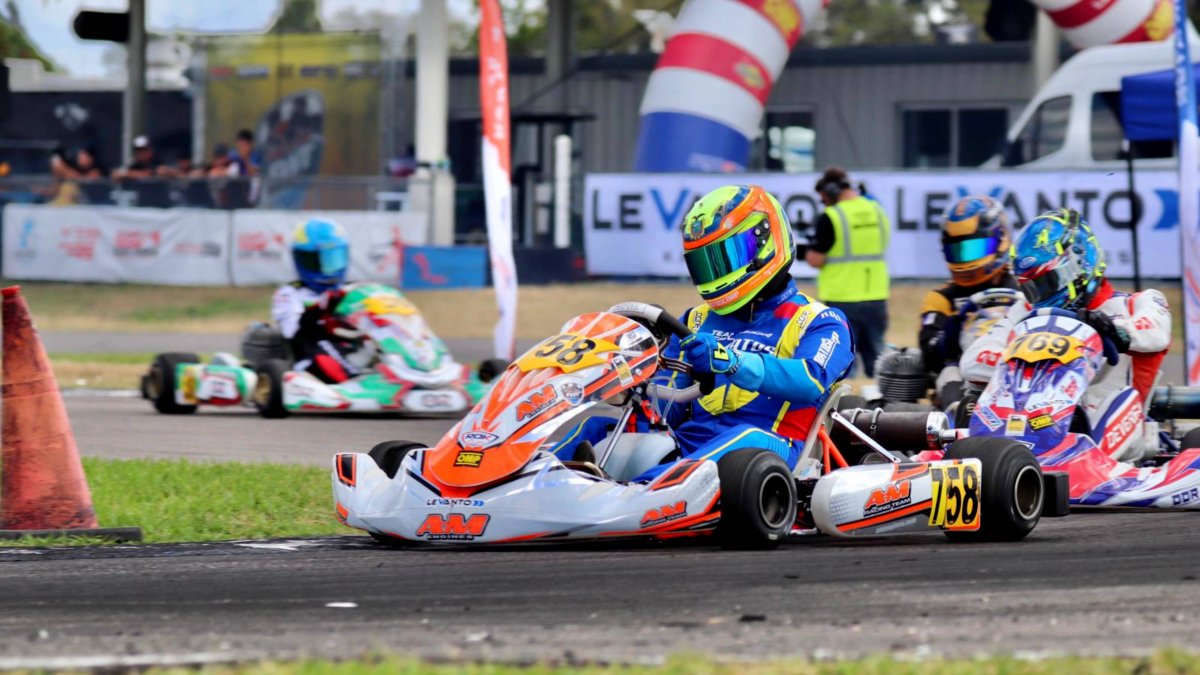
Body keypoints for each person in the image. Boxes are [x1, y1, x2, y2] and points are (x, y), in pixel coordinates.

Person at [556, 185, 856, 480]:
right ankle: (530, 480)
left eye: (726, 257)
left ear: (765, 242)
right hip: (689, 443)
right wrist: (632, 381)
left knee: (742, 436)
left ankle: (640, 493)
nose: (716, 272)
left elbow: (809, 380)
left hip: (768, 445)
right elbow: (668, 405)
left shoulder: (820, 320)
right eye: (705, 263)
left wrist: (732, 361)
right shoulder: (695, 320)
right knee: (595, 427)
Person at [962, 208, 1172, 462]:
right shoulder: (1025, 312)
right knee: (967, 402)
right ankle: (978, 457)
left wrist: (1112, 330)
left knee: (1110, 401)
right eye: (1031, 288)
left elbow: (1155, 331)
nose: (1038, 295)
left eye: (1046, 283)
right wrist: (1019, 356)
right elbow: (972, 360)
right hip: (1032, 423)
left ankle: (1081, 458)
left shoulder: (1137, 304)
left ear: (1079, 265)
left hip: (1109, 430)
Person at [918, 195, 1021, 407]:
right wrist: (952, 332)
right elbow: (930, 355)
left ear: (1001, 240)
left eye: (974, 249)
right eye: (957, 251)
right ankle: (957, 421)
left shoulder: (1025, 289)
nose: (965, 260)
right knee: (949, 371)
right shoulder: (941, 298)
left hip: (1017, 366)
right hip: (965, 376)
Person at [802, 166, 891, 379]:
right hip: (876, 295)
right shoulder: (877, 211)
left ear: (831, 191)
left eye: (823, 198)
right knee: (879, 364)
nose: (823, 202)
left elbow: (816, 260)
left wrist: (805, 250)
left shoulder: (831, 216)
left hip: (842, 298)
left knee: (842, 365)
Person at [271, 219, 366, 384]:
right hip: (311, 357)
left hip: (352, 348)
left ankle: (413, 369)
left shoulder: (351, 290)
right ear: (302, 260)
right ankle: (357, 380)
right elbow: (291, 332)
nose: (326, 268)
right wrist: (321, 308)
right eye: (317, 261)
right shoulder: (289, 294)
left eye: (333, 259)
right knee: (323, 347)